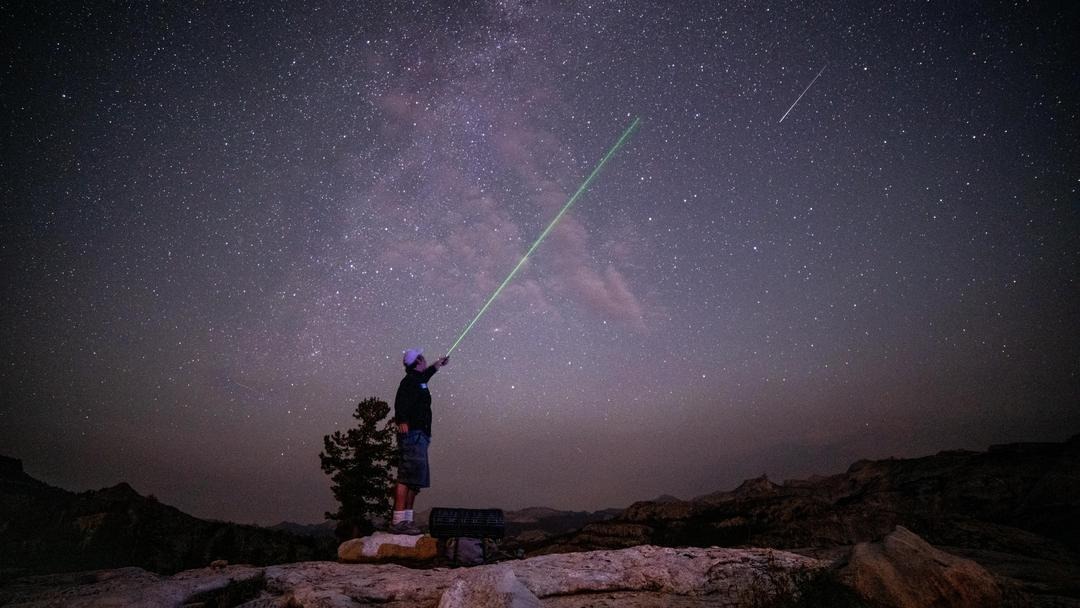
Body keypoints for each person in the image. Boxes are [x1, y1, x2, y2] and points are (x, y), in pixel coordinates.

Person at [390, 347, 449, 535]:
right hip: (412, 433)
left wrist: (438, 364)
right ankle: (398, 521)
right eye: (423, 359)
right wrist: (402, 420)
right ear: (417, 362)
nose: (425, 361)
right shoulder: (408, 382)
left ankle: (407, 521)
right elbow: (400, 403)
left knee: (414, 480)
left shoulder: (418, 380)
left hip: (421, 434)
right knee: (406, 475)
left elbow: (427, 374)